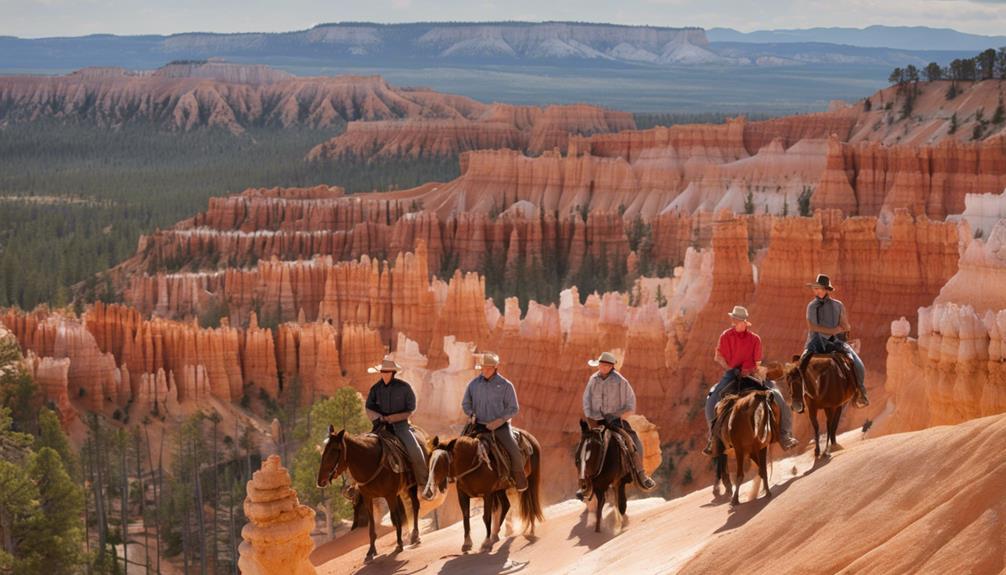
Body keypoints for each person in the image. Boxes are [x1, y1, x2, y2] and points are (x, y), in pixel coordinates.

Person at [703, 306, 799, 456]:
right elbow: (718, 356)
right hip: (731, 374)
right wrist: (729, 368)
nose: (737, 322)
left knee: (778, 397)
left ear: (745, 322)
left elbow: (758, 363)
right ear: (733, 321)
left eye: (740, 320)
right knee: (712, 399)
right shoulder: (725, 336)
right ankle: (713, 439)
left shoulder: (755, 339)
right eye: (735, 320)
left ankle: (785, 435)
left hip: (751, 374)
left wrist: (750, 370)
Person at [582, 351, 657, 491]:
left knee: (632, 440)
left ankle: (641, 474)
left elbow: (630, 404)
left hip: (615, 419)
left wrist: (620, 416)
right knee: (585, 444)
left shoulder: (621, 382)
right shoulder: (593, 379)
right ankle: (584, 479)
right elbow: (586, 399)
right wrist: (590, 416)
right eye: (600, 365)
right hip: (595, 420)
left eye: (605, 365)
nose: (602, 367)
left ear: (611, 366)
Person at [797, 274, 869, 409]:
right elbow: (812, 327)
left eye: (819, 288)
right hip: (815, 341)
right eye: (815, 288)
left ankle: (860, 391)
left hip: (835, 341)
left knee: (856, 362)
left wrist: (845, 329)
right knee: (801, 363)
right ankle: (798, 398)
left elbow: (845, 325)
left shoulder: (838, 305)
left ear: (826, 289)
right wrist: (833, 330)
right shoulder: (811, 306)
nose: (816, 291)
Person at [461, 352, 527, 492]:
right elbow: (466, 403)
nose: (484, 370)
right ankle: (455, 478)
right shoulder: (473, 384)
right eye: (483, 368)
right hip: (477, 425)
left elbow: (513, 408)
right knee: (458, 446)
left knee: (514, 450)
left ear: (495, 368)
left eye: (488, 368)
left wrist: (499, 421)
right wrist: (471, 414)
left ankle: (519, 479)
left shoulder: (505, 385)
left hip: (500, 427)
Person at [365, 357, 428, 486]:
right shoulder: (375, 389)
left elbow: (410, 409)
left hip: (401, 427)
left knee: (415, 450)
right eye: (382, 372)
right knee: (364, 450)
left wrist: (392, 418)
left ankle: (423, 482)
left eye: (387, 372)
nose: (384, 374)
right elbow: (369, 407)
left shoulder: (404, 388)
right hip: (380, 427)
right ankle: (359, 487)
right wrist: (378, 418)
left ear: (393, 373)